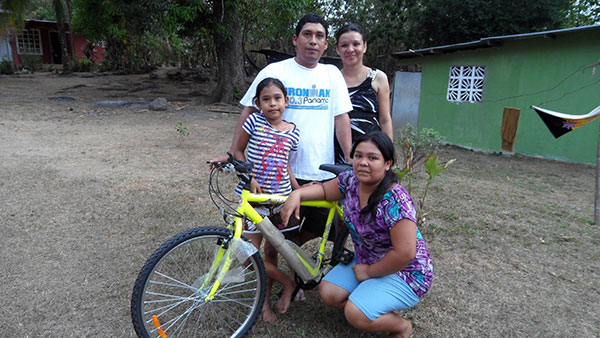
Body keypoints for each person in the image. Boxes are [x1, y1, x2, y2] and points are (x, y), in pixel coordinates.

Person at [212, 13, 353, 245]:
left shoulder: (332, 74)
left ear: (326, 44)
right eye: (307, 34)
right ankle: (270, 276)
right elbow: (248, 110)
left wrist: (349, 156)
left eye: (320, 36)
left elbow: (341, 118)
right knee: (274, 232)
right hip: (278, 173)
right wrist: (233, 153)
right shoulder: (273, 72)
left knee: (320, 228)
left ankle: (302, 273)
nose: (313, 41)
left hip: (319, 171)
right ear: (295, 39)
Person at [281, 131, 433, 338]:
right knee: (329, 293)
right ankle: (370, 300)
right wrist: (297, 194)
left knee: (354, 313)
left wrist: (370, 272)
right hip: (367, 260)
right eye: (358, 156)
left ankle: (401, 327)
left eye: (372, 158)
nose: (363, 162)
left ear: (387, 163)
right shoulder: (352, 181)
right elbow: (326, 191)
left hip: (406, 272)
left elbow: (405, 253)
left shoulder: (396, 201)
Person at [230, 77, 301, 323]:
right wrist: (249, 176)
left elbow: (286, 166)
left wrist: (297, 192)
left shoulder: (294, 132)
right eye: (266, 99)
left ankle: (265, 304)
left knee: (272, 252)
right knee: (248, 255)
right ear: (258, 103)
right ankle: (287, 282)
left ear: (286, 101)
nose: (273, 104)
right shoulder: (253, 122)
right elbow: (238, 152)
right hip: (254, 200)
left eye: (277, 98)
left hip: (279, 201)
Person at [333, 23, 394, 164]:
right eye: (344, 45)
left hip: (370, 155)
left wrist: (388, 155)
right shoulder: (331, 79)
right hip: (337, 155)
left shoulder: (378, 78)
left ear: (365, 46)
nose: (350, 49)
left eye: (356, 44)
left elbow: (385, 120)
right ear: (337, 49)